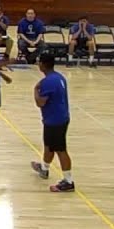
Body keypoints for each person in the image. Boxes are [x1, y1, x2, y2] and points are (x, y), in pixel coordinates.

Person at [29, 52, 74, 192]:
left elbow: (40, 102)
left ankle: (68, 181)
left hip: (55, 121)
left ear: (42, 64)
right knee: (49, 145)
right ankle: (44, 168)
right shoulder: (59, 77)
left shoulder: (48, 82)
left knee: (60, 150)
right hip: (58, 118)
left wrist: (35, 90)